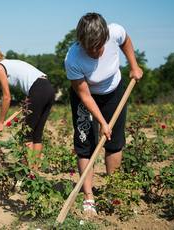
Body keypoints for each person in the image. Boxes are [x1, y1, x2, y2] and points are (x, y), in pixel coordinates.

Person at [65, 13, 143, 216]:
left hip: (113, 92)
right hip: (87, 97)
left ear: (106, 37)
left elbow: (126, 41)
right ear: (79, 40)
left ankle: (113, 191)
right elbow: (85, 96)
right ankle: (88, 196)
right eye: (88, 46)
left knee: (114, 142)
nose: (93, 50)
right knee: (85, 144)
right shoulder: (72, 59)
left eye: (98, 45)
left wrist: (134, 66)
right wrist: (102, 122)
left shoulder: (115, 31)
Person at [0, 46, 55, 172]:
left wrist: (0, 123)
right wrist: (28, 100)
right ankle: (34, 172)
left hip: (37, 90)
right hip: (48, 89)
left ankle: (29, 172)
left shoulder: (0, 67)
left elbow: (7, 98)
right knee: (36, 135)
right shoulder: (12, 63)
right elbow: (29, 80)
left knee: (26, 135)